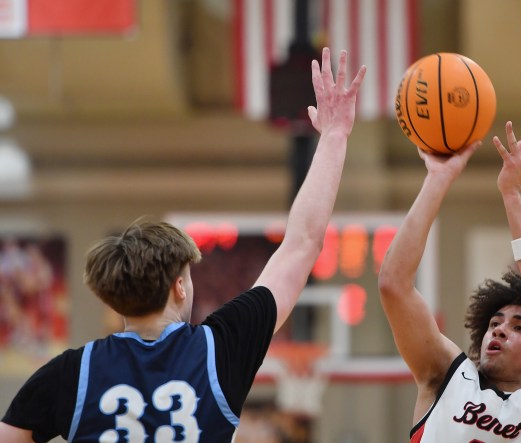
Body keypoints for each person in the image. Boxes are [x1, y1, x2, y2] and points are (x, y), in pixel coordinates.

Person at [0, 47, 366, 443]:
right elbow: (302, 244)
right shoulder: (217, 349)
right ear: (178, 286)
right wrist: (333, 136)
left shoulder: (72, 372)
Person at [378, 115, 521, 443]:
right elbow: (394, 284)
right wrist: (437, 178)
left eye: (520, 327)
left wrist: (512, 195)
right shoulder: (444, 375)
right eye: (495, 323)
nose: (500, 329)